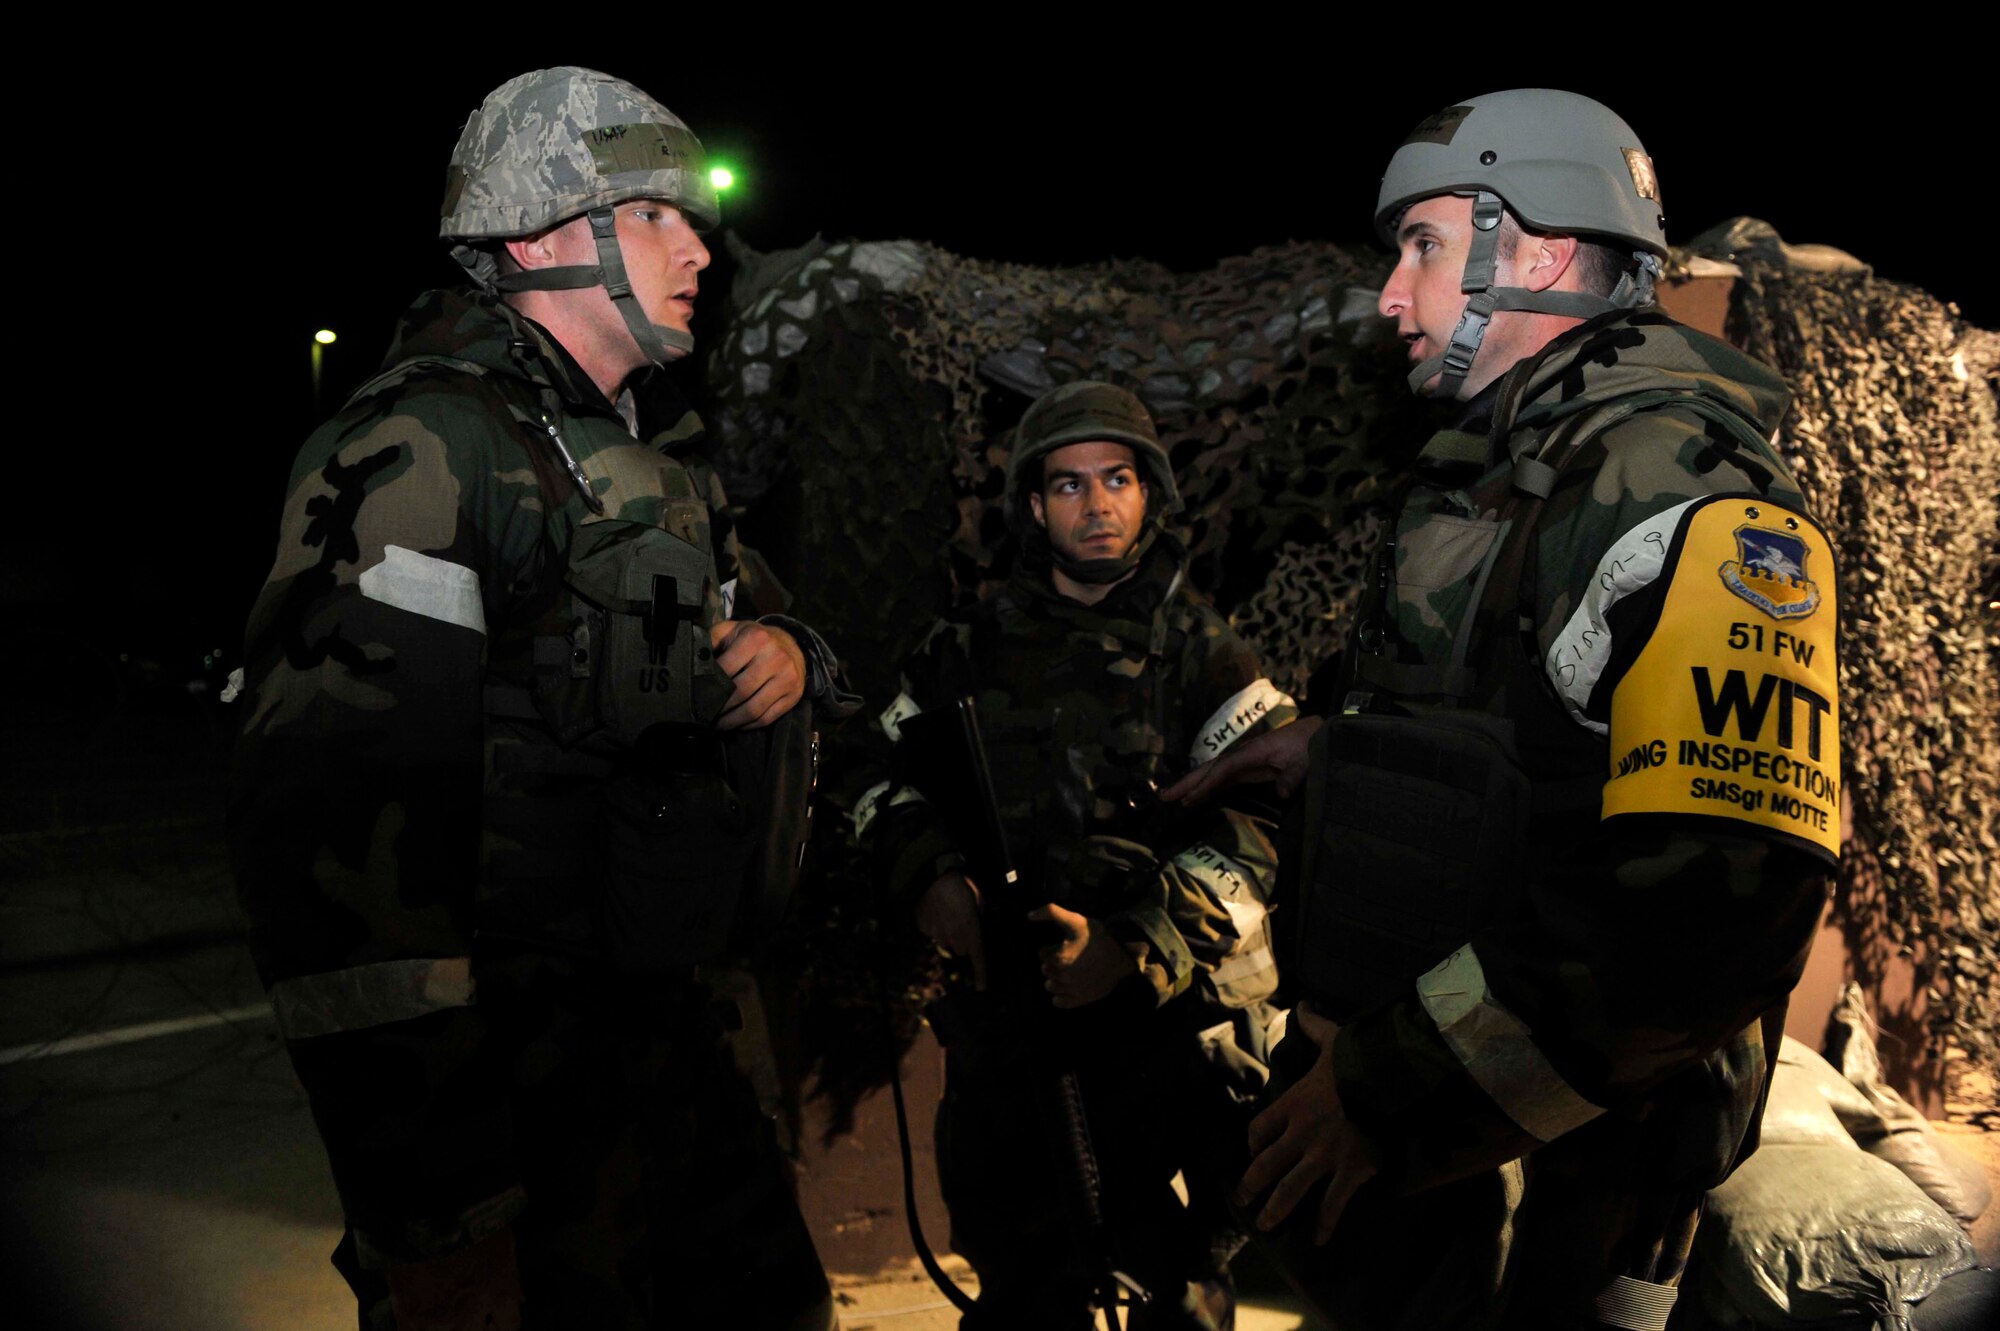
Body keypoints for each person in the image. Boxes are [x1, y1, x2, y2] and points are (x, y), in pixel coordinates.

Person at [1167, 89, 1841, 1331]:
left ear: (1533, 250)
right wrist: (1338, 752)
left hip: (1576, 1156)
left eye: (1419, 246)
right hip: (1444, 1152)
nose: (1388, 295)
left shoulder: (1682, 486)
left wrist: (1383, 1085)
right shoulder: (1498, 463)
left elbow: (1715, 891)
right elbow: (1521, 730)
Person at [228, 67, 854, 1330]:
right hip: (511, 1126)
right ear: (536, 238)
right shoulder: (420, 451)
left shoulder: (655, 459)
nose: (699, 250)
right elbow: (340, 871)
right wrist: (440, 1222)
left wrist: (787, 649)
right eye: (654, 215)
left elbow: (790, 625)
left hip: (675, 1076)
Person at [857, 381, 1297, 1329]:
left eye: (1117, 480)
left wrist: (1132, 943)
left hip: (1165, 1028)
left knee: (1180, 1289)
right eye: (1068, 486)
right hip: (1013, 1027)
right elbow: (869, 773)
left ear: (1149, 497)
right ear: (1031, 505)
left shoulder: (1204, 651)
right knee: (1024, 1284)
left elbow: (1264, 824)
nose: (1096, 505)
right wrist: (929, 873)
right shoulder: (962, 651)